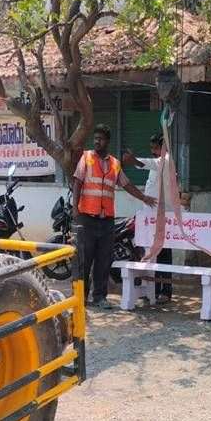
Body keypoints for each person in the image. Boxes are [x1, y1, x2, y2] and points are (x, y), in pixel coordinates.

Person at [72, 124, 156, 308]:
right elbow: (77, 182)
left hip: (107, 220)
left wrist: (143, 197)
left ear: (107, 141)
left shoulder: (115, 164)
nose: (97, 142)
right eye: (95, 138)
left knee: (104, 260)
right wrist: (75, 209)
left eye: (100, 139)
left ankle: (100, 297)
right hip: (87, 217)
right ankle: (81, 297)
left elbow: (126, 184)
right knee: (85, 259)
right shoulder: (86, 158)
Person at [122, 133, 176, 303]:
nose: (153, 151)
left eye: (156, 148)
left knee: (164, 254)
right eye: (151, 148)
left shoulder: (166, 161)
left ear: (164, 147)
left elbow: (152, 163)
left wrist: (135, 161)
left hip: (163, 219)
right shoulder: (157, 165)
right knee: (149, 253)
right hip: (150, 218)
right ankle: (150, 290)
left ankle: (165, 291)